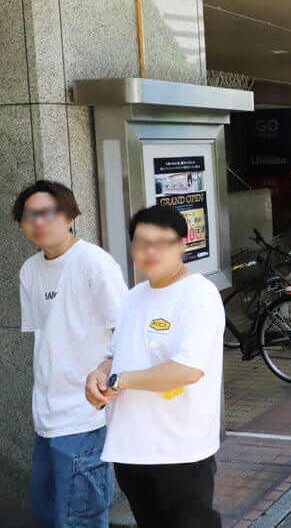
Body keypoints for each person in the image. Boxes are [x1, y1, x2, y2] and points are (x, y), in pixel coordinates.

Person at [86, 205, 223, 528]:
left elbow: (188, 370)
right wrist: (99, 374)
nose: (150, 251)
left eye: (162, 242)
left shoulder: (199, 294)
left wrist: (119, 380)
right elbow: (115, 354)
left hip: (179, 452)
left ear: (183, 244)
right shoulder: (133, 297)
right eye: (141, 242)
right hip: (130, 449)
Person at [15, 181, 128, 528]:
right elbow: (46, 339)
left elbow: (124, 333)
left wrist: (108, 381)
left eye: (47, 213)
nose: (38, 222)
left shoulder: (93, 262)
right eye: (29, 215)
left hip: (85, 415)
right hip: (46, 417)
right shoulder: (30, 270)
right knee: (50, 515)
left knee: (80, 518)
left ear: (69, 215)